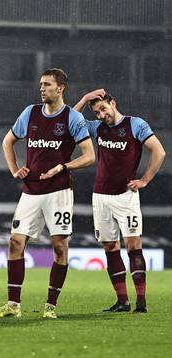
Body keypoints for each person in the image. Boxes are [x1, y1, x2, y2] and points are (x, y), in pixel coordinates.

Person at [0, 68, 95, 319]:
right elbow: (7, 141)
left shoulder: (72, 118)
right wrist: (15, 169)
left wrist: (63, 166)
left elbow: (90, 156)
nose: (42, 88)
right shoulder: (31, 112)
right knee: (15, 242)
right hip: (31, 190)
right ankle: (13, 305)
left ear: (61, 88)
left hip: (58, 191)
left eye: (47, 84)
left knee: (59, 247)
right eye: (41, 85)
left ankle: (51, 306)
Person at [74, 89, 166, 313]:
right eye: (96, 112)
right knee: (110, 247)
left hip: (126, 197)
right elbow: (71, 123)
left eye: (103, 109)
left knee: (134, 245)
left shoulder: (135, 125)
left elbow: (159, 152)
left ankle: (141, 302)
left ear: (113, 103)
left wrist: (144, 180)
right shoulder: (97, 128)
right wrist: (85, 99)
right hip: (101, 196)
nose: (101, 115)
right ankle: (122, 301)